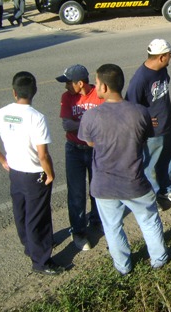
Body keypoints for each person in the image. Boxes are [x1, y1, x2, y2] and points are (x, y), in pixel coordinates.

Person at [78, 64, 169, 275]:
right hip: (134, 182)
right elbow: (145, 137)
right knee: (148, 220)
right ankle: (159, 260)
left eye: (97, 83)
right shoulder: (140, 112)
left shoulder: (91, 117)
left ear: (105, 87)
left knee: (112, 226)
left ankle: (123, 266)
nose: (96, 86)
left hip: (104, 184)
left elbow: (90, 143)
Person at [0, 72, 64, 276]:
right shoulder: (36, 118)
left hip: (16, 172)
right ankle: (41, 261)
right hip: (35, 174)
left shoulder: (3, 112)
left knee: (21, 212)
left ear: (14, 92)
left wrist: (3, 160)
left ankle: (29, 246)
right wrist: (50, 174)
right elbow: (43, 155)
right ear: (34, 91)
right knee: (38, 217)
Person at [125, 39, 171, 206]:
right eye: (169, 55)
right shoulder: (140, 78)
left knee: (168, 160)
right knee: (150, 166)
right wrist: (145, 119)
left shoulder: (162, 70)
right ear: (161, 57)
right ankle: (152, 196)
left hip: (167, 125)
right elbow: (130, 106)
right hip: (152, 131)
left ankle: (167, 189)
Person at [56, 64, 104, 251]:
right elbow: (67, 125)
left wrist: (80, 124)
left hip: (95, 149)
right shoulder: (67, 97)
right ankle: (78, 231)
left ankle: (97, 220)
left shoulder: (98, 95)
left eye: (68, 82)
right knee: (76, 193)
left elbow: (104, 123)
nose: (66, 86)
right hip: (74, 150)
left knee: (97, 188)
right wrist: (91, 122)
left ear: (80, 83)